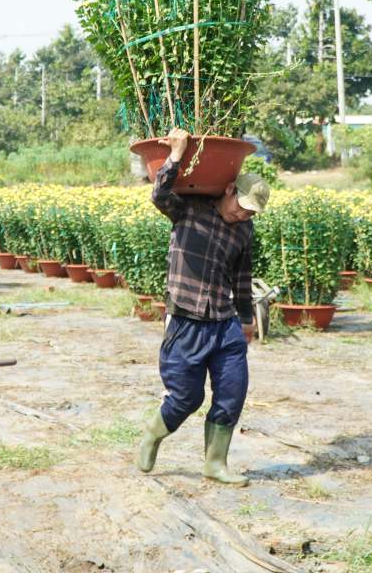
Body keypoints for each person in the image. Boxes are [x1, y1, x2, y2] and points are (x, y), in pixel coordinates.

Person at [135, 128, 270, 486]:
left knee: (232, 391)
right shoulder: (189, 211)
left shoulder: (244, 232)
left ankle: (214, 463)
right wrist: (177, 154)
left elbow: (242, 276)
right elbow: (160, 193)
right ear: (229, 191)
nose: (243, 217)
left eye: (251, 215)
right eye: (241, 209)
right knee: (186, 398)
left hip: (224, 321)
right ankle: (153, 435)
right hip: (186, 321)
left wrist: (246, 319)